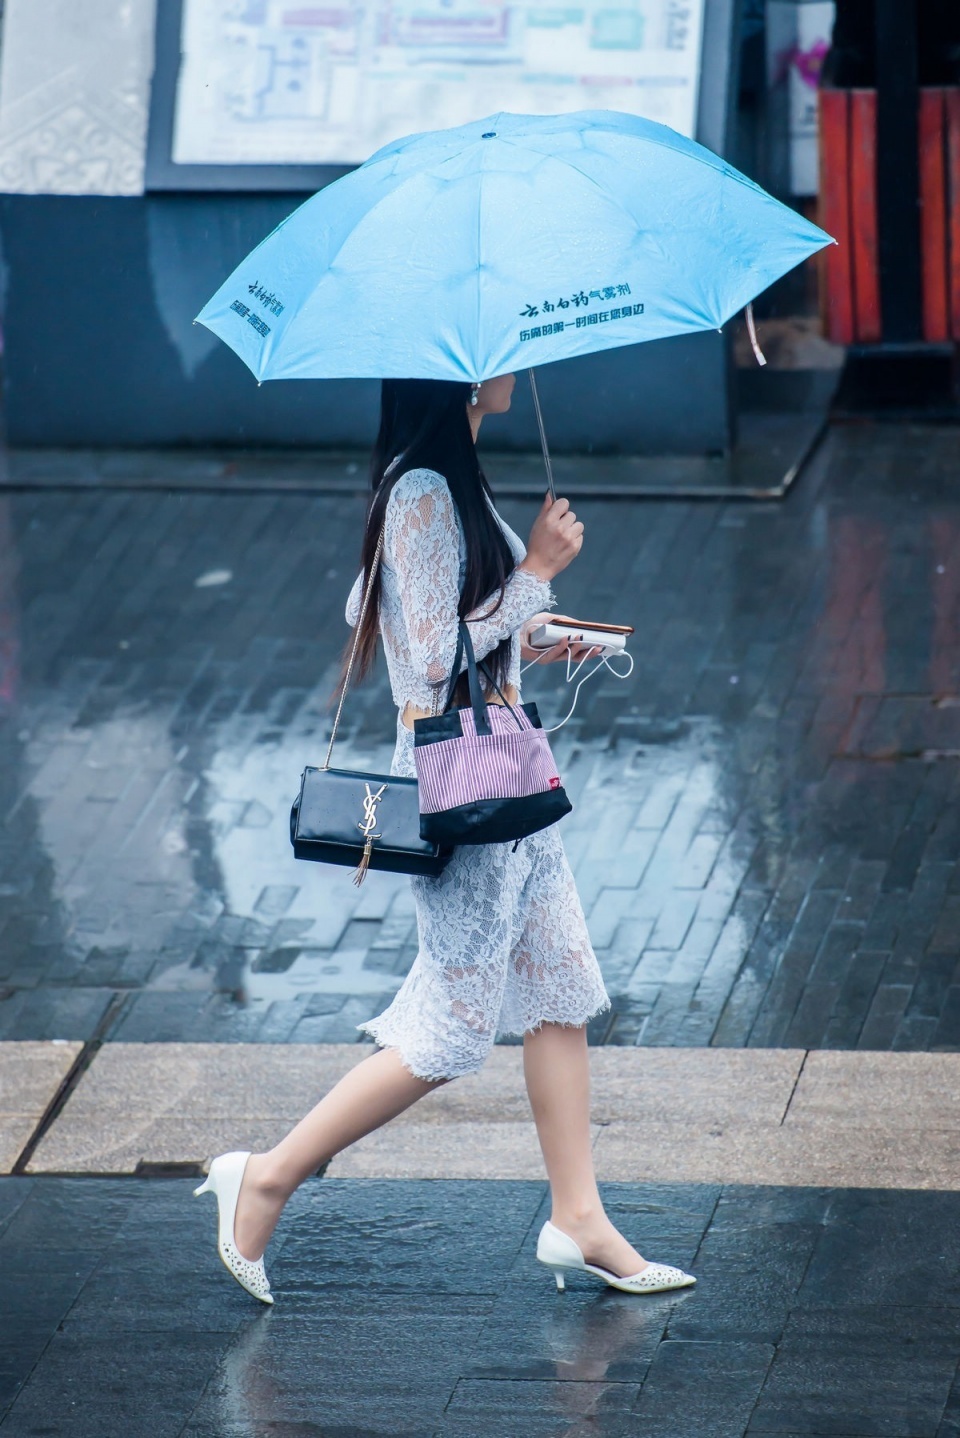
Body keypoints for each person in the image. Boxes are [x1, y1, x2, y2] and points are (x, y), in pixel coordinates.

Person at [194, 376, 696, 1303]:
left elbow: (464, 632)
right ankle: (264, 1177)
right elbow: (428, 656)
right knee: (454, 1029)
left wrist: (542, 633)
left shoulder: (452, 474)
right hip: (462, 785)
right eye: (501, 352)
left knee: (559, 989)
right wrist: (537, 569)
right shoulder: (422, 488)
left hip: (509, 768)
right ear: (461, 372)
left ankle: (579, 1217)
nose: (515, 367)